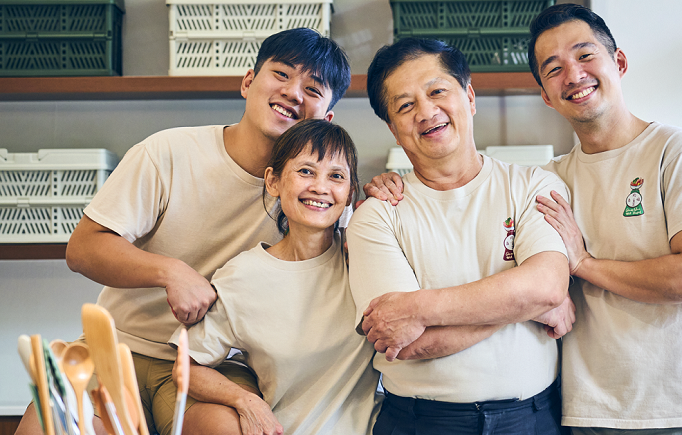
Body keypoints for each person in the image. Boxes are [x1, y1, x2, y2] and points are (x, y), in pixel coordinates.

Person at [14, 28, 351, 435]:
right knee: (47, 427)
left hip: (217, 364)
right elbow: (83, 248)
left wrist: (388, 191)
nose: (294, 92)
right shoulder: (167, 152)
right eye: (281, 74)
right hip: (118, 346)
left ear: (327, 118)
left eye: (313, 88)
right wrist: (170, 271)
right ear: (248, 82)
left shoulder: (318, 197)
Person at [528, 4, 682, 434]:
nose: (573, 76)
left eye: (585, 55)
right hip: (593, 417)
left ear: (619, 62)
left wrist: (584, 265)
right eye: (553, 69)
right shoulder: (548, 181)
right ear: (545, 94)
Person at [346, 37, 574, 435]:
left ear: (469, 96)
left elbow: (548, 286)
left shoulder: (533, 184)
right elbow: (404, 343)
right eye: (405, 105)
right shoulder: (377, 216)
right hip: (420, 422)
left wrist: (416, 309)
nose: (427, 112)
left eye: (437, 91)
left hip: (533, 419)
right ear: (393, 129)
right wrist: (523, 305)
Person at [172, 119, 380, 435]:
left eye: (336, 176)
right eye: (306, 171)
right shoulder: (243, 275)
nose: (320, 187)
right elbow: (188, 366)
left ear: (350, 192)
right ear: (274, 181)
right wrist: (245, 401)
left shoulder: (365, 257)